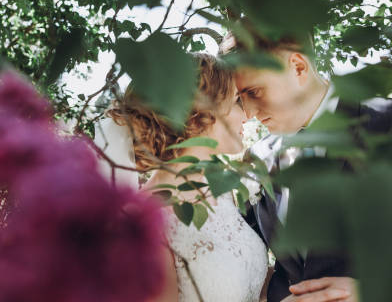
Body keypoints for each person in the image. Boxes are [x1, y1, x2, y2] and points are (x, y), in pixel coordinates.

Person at [220, 33, 392, 302]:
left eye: (254, 92)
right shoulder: (257, 159)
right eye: (240, 99)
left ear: (298, 66)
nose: (248, 112)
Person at [94, 53, 269, 302]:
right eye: (237, 100)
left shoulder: (224, 193)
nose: (248, 114)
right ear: (198, 111)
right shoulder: (144, 219)